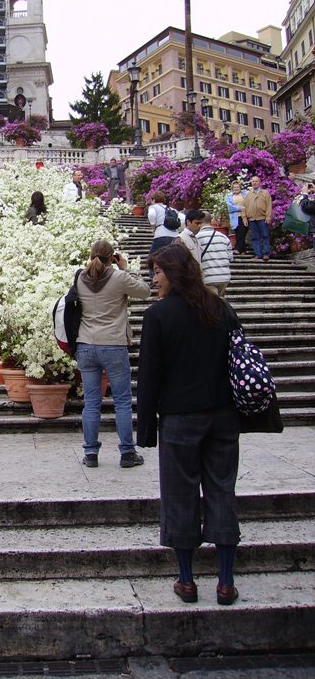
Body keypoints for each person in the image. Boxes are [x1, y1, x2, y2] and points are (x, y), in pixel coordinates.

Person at [136, 243, 282, 607]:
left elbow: (150, 376)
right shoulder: (219, 307)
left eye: (157, 271)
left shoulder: (158, 316)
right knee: (222, 491)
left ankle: (186, 581)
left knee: (180, 496)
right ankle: (226, 583)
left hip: (180, 419)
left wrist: (146, 429)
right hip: (222, 416)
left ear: (174, 273)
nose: (154, 278)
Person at [75, 239, 151, 469]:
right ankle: (127, 452)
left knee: (91, 402)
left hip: (86, 344)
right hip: (113, 344)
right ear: (112, 258)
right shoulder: (119, 277)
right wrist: (125, 268)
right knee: (122, 402)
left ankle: (90, 453)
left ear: (91, 256)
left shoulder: (80, 277)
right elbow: (145, 291)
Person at [195, 211, 233, 297]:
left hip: (208, 277)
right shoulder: (223, 237)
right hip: (224, 276)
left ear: (199, 222)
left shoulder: (197, 238)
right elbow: (230, 258)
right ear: (211, 220)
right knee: (219, 302)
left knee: (212, 305)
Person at [243, 175, 272, 262]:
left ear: (260, 183)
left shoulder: (265, 193)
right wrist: (245, 218)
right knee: (255, 237)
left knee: (265, 236)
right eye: (253, 181)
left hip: (262, 218)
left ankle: (265, 253)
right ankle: (257, 254)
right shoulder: (248, 195)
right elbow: (244, 207)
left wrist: (268, 216)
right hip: (252, 219)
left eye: (256, 181)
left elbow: (269, 206)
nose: (254, 183)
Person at [226, 181, 248, 255]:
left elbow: (248, 204)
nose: (236, 188)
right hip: (235, 217)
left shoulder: (245, 194)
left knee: (243, 232)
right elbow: (230, 208)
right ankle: (241, 249)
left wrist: (244, 209)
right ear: (232, 188)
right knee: (238, 233)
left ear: (240, 187)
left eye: (237, 187)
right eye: (234, 187)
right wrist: (240, 208)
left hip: (244, 216)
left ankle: (239, 249)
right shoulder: (229, 196)